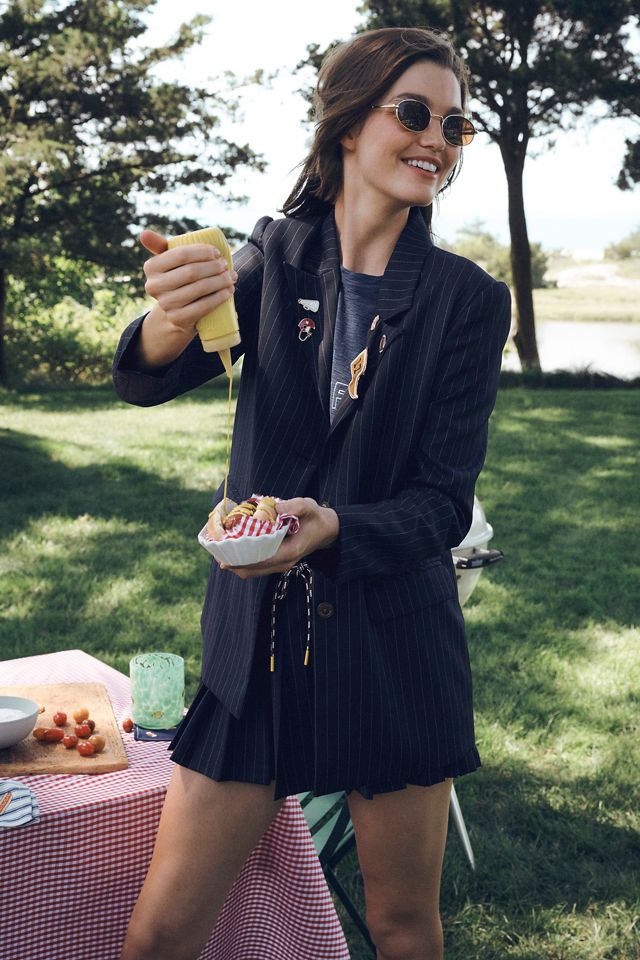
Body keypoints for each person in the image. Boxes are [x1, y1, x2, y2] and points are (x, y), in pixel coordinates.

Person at [113, 26, 511, 960]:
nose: (437, 139)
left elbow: (441, 505)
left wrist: (333, 525)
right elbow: (144, 376)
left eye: (455, 125)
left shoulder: (467, 300)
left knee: (403, 926)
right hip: (253, 653)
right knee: (160, 934)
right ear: (348, 124)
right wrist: (171, 315)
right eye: (413, 113)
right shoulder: (271, 257)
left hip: (395, 651)